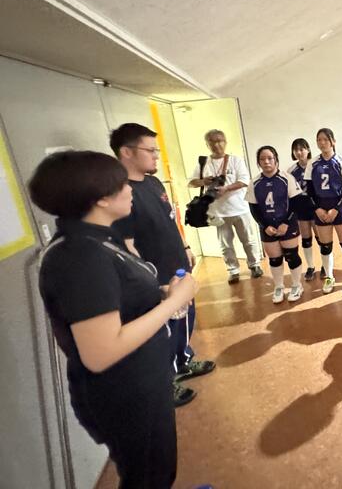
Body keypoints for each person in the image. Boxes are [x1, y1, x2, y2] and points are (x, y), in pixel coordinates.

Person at [31, 150, 200, 488]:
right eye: (122, 184)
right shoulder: (79, 257)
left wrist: (162, 293)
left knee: (159, 469)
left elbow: (120, 300)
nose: (131, 190)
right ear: (101, 199)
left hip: (145, 377)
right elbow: (102, 352)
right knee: (147, 477)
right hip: (125, 391)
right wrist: (174, 302)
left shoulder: (101, 238)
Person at [110, 123, 215, 407]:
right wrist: (152, 284)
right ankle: (164, 384)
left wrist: (186, 246)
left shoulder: (154, 183)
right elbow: (128, 245)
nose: (156, 155)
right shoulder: (121, 193)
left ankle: (183, 361)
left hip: (178, 266)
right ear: (127, 152)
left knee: (184, 319)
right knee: (162, 331)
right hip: (157, 278)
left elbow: (170, 220)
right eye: (151, 150)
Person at [188, 129, 262, 284]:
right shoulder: (203, 163)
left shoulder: (236, 160)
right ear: (207, 144)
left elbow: (244, 180)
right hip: (218, 212)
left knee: (248, 240)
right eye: (212, 141)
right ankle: (233, 270)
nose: (217, 145)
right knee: (225, 244)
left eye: (219, 141)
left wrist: (226, 188)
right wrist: (204, 181)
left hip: (239, 208)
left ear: (225, 142)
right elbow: (191, 182)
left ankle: (254, 265)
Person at [247, 146, 305, 304]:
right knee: (274, 259)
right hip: (267, 227)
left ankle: (296, 285)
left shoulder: (287, 178)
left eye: (269, 158)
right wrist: (264, 225)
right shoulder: (254, 182)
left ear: (276, 160)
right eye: (262, 159)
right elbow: (254, 208)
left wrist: (286, 223)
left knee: (292, 256)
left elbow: (296, 203)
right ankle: (279, 286)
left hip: (287, 225)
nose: (266, 162)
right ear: (258, 162)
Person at [304, 128, 342, 294]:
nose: (322, 143)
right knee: (325, 246)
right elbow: (309, 189)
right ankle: (329, 276)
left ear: (333, 141)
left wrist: (336, 209)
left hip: (340, 207)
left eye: (325, 140)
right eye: (319, 140)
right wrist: (317, 209)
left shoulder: (341, 161)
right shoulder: (313, 163)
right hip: (321, 207)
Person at [287, 138, 319, 281]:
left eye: (302, 149)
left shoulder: (315, 165)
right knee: (306, 239)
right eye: (296, 150)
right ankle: (310, 266)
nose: (299, 152)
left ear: (308, 150)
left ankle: (325, 265)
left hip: (315, 205)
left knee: (321, 238)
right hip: (301, 206)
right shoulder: (291, 170)